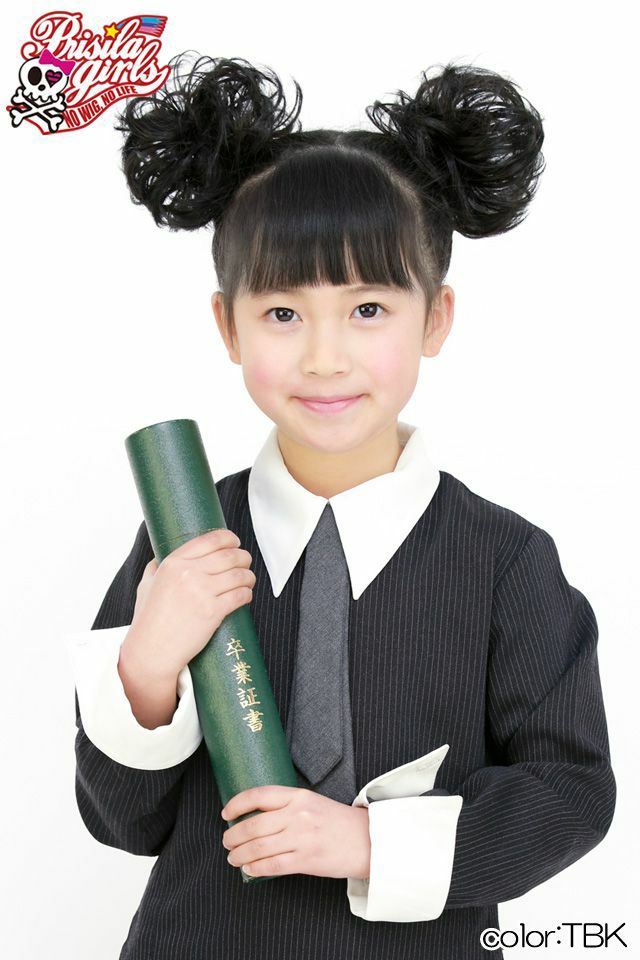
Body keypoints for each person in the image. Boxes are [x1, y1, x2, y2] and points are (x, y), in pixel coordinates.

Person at [65, 52, 616, 960]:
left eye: (367, 309)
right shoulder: (186, 537)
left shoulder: (504, 559)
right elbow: (121, 821)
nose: (324, 358)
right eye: (283, 314)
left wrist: (368, 843)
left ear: (435, 318)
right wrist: (148, 667)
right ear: (227, 324)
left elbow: (571, 792)